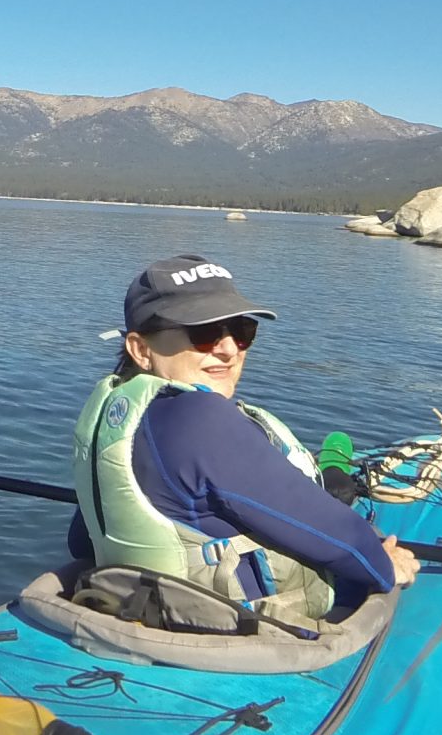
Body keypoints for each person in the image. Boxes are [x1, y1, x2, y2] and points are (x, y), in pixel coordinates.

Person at [69, 255, 415, 627]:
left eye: (241, 330)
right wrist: (385, 565)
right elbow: (341, 537)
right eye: (203, 334)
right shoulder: (199, 416)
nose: (229, 349)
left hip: (151, 610)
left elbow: (81, 541)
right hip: (236, 628)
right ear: (140, 349)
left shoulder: (120, 414)